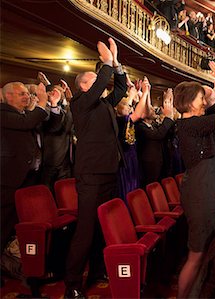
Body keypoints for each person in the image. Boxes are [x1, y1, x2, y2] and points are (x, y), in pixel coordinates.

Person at [64, 38, 127, 299]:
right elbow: (103, 81)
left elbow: (121, 88)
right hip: (90, 176)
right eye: (95, 79)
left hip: (109, 172)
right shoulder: (80, 103)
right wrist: (106, 64)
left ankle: (98, 270)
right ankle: (72, 284)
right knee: (85, 231)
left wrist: (117, 65)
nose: (102, 83)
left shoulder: (103, 104)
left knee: (102, 226)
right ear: (84, 86)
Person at [173, 58, 215, 298]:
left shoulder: (196, 122)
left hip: (205, 189)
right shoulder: (191, 125)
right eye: (201, 97)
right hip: (199, 193)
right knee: (196, 253)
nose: (205, 100)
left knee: (204, 250)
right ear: (190, 102)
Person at [0, 82, 49, 254]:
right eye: (21, 94)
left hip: (28, 177)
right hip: (9, 178)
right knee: (4, 223)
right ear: (8, 96)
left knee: (20, 222)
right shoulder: (3, 113)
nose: (27, 96)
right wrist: (42, 101)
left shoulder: (24, 114)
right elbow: (27, 122)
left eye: (27, 93)